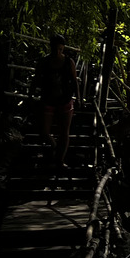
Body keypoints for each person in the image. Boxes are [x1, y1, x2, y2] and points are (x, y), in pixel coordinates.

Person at [35, 33, 79, 171]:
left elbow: (74, 80)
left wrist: (78, 97)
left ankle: (60, 160)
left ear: (63, 48)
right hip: (48, 99)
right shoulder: (44, 62)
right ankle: (54, 147)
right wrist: (30, 96)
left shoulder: (68, 62)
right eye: (55, 49)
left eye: (60, 49)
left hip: (65, 100)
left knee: (64, 132)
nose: (57, 52)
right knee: (44, 131)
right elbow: (36, 79)